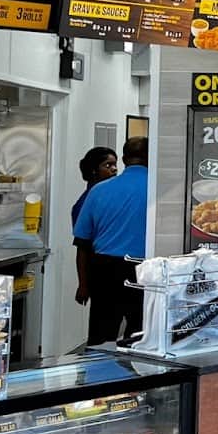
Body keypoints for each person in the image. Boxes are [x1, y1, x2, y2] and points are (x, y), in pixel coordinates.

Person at [73, 136, 148, 345]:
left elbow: (82, 243)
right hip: (145, 271)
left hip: (104, 270)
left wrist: (83, 284)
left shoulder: (98, 191)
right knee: (140, 337)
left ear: (124, 159)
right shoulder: (159, 190)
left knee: (101, 336)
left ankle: (98, 377)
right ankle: (138, 376)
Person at [70, 146, 118, 225]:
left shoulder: (111, 195)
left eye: (115, 164)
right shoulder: (85, 203)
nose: (114, 169)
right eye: (108, 165)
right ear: (93, 170)